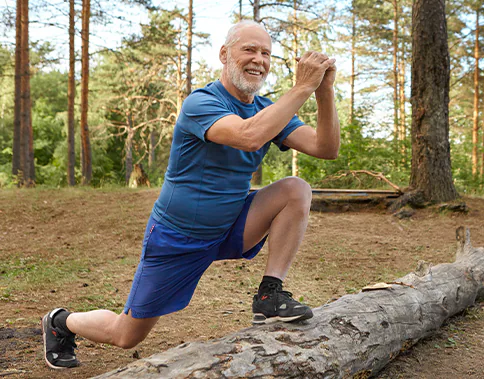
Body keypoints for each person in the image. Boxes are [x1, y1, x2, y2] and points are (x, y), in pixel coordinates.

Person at [40, 20, 340, 369]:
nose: (259, 59)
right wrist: (303, 86)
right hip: (178, 238)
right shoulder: (202, 102)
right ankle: (61, 322)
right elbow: (248, 136)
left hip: (231, 226)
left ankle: (269, 294)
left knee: (296, 189)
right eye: (249, 49)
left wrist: (323, 89)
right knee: (126, 335)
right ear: (225, 54)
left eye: (266, 53)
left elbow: (325, 147)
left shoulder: (267, 108)